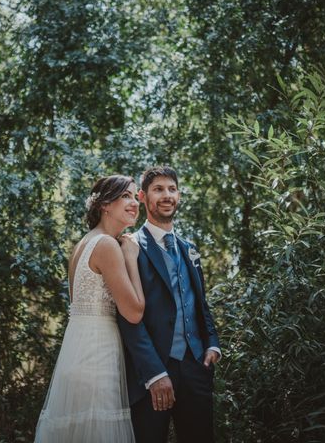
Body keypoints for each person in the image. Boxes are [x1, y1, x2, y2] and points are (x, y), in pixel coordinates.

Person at [35, 175, 145, 443]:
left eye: (135, 197)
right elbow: (134, 311)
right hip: (98, 356)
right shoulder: (107, 245)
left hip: (77, 351)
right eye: (125, 196)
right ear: (105, 205)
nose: (134, 203)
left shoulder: (84, 243)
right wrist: (131, 257)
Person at [118, 166, 221, 443]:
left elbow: (200, 302)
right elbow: (128, 318)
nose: (167, 195)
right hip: (151, 373)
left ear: (179, 196)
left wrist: (212, 343)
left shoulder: (188, 247)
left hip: (196, 367)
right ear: (142, 196)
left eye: (172, 189)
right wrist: (154, 374)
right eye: (158, 189)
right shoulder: (130, 247)